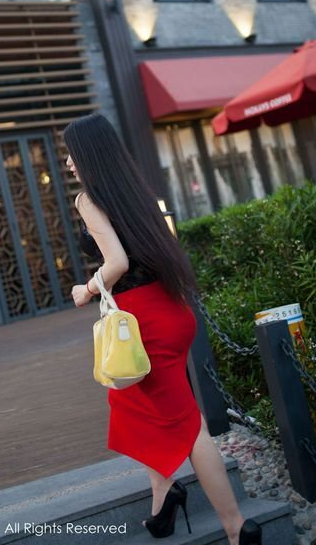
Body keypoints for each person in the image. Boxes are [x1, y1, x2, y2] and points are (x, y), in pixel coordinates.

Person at [64, 113, 262, 545]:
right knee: (136, 406)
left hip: (143, 325)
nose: (68, 163)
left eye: (71, 154)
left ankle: (236, 528)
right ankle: (164, 500)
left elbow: (117, 262)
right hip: (171, 311)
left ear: (88, 154)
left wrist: (87, 289)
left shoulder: (88, 199)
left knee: (191, 428)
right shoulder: (135, 191)